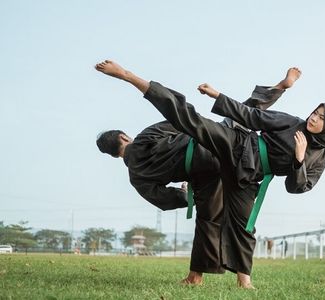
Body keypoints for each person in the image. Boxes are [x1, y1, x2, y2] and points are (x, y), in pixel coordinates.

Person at [95, 60, 298, 288]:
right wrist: (126, 75)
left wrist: (184, 195)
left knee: (208, 220)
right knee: (240, 115)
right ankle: (279, 87)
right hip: (210, 148)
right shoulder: (144, 137)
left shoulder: (136, 177)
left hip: (200, 173)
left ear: (114, 155)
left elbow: (162, 198)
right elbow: (179, 116)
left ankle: (196, 277)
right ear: (124, 137)